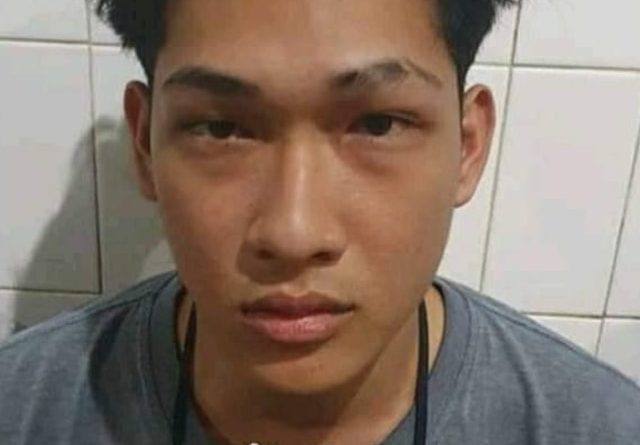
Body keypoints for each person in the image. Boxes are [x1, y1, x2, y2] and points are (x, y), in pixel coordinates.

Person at [1, 0, 639, 443]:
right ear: (145, 145)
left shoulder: (597, 428)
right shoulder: (22, 410)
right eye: (220, 128)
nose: (293, 232)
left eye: (377, 124)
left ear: (467, 147)